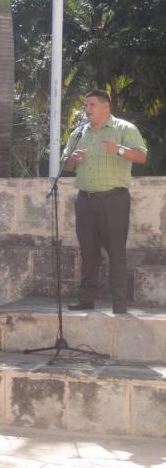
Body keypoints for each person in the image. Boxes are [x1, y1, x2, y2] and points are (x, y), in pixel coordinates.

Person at [63, 89, 147, 314]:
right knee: (88, 252)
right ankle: (86, 299)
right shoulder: (79, 133)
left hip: (114, 200)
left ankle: (119, 303)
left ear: (105, 106)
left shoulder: (124, 129)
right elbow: (66, 166)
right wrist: (71, 159)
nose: (87, 109)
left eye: (91, 105)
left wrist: (118, 149)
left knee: (116, 252)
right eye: (86, 105)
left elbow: (141, 156)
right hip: (85, 200)